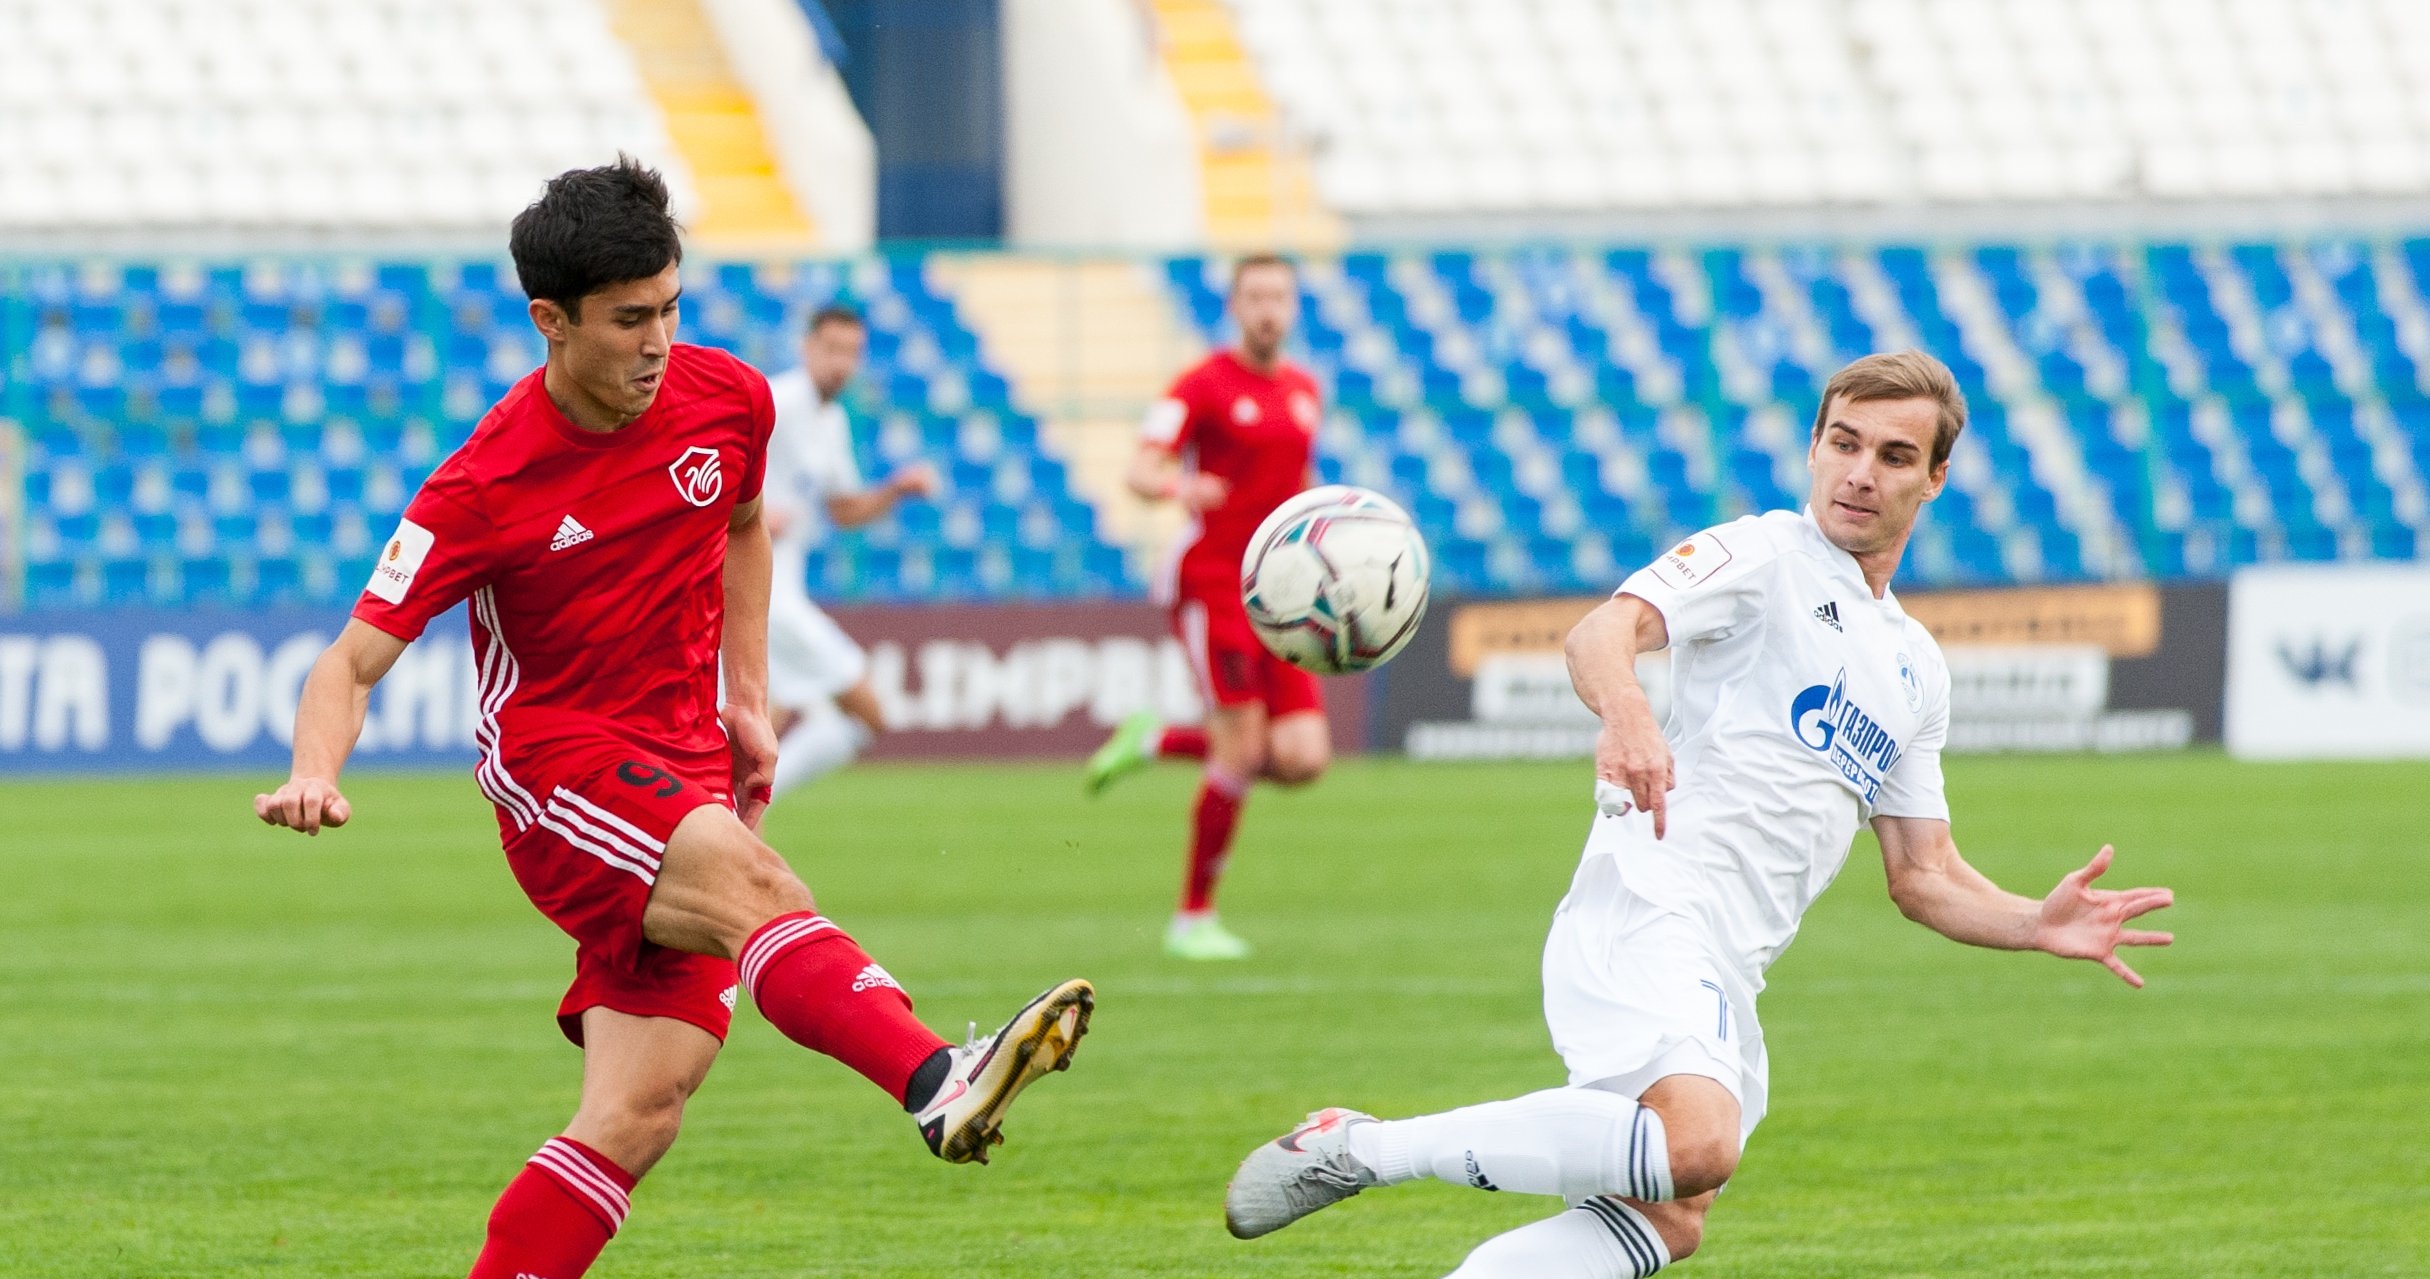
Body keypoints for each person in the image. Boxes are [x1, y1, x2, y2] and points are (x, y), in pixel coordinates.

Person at [250, 159, 1091, 1279]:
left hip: (683, 759)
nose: (657, 342)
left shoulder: (729, 399)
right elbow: (348, 663)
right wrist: (316, 769)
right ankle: (941, 1081)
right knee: (764, 894)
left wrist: (745, 694)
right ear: (551, 322)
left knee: (637, 1114)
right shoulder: (484, 483)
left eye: (672, 306)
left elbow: (747, 525)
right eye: (629, 318)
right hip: (557, 768)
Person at [1221, 351, 2175, 1277]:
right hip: (1650, 900)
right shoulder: (1762, 554)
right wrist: (1629, 714)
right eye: (1843, 443)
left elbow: (1922, 873)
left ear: (1935, 479)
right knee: (1697, 1143)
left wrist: (2034, 924)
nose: (1859, 472)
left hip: (1730, 959)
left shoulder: (1916, 664)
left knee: (1667, 1216)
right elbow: (1602, 630)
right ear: (1813, 446)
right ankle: (1359, 1146)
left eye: (1892, 456)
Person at [1083, 253, 1329, 961]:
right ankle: (1193, 916)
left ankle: (1157, 739)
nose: (1268, 308)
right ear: (1234, 305)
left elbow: (1297, 479)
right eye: (1255, 295)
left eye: (1279, 295)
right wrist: (1175, 490)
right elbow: (1140, 467)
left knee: (1302, 757)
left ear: (1294, 305)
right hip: (1216, 581)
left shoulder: (1305, 390)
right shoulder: (1202, 384)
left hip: (1285, 596)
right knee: (1242, 748)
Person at [761, 304, 939, 801]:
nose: (842, 363)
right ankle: (750, 804)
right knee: (868, 712)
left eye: (853, 352)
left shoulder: (832, 418)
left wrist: (896, 490)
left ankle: (744, 809)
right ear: (807, 348)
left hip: (782, 588)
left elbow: (842, 510)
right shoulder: (777, 402)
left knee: (759, 727)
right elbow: (709, 460)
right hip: (765, 594)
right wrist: (746, 510)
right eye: (832, 349)